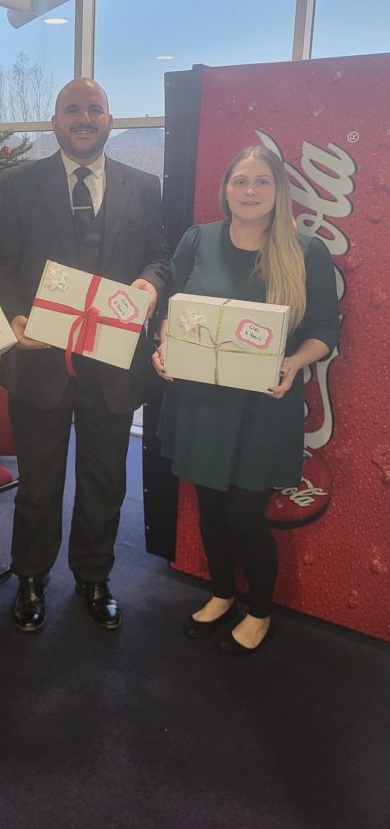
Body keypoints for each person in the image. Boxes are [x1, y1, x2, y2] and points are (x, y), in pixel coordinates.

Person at [0, 78, 170, 632]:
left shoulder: (143, 185)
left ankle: (94, 576)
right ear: (55, 121)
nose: (83, 118)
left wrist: (149, 285)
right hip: (40, 362)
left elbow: (160, 257)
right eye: (72, 109)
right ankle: (31, 578)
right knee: (38, 483)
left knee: (104, 481)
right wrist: (14, 316)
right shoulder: (19, 184)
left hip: (112, 367)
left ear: (110, 118)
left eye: (94, 109)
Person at [153, 145, 340, 654]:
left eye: (262, 182)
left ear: (279, 191)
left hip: (262, 407)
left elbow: (326, 329)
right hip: (200, 402)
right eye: (240, 181)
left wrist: (295, 362)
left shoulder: (306, 251)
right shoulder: (198, 240)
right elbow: (173, 306)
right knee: (211, 510)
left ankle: (259, 610)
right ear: (226, 189)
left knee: (244, 518)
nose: (250, 191)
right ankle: (220, 594)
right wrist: (165, 345)